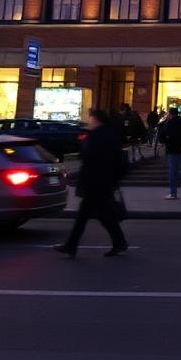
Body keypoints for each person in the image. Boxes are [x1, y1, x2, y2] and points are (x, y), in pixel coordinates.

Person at [54, 109, 128, 258]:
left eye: (90, 118)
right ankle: (119, 243)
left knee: (87, 216)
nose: (88, 121)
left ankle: (71, 246)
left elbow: (95, 160)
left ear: (96, 120)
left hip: (97, 183)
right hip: (98, 182)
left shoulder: (102, 135)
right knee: (103, 216)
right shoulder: (102, 134)